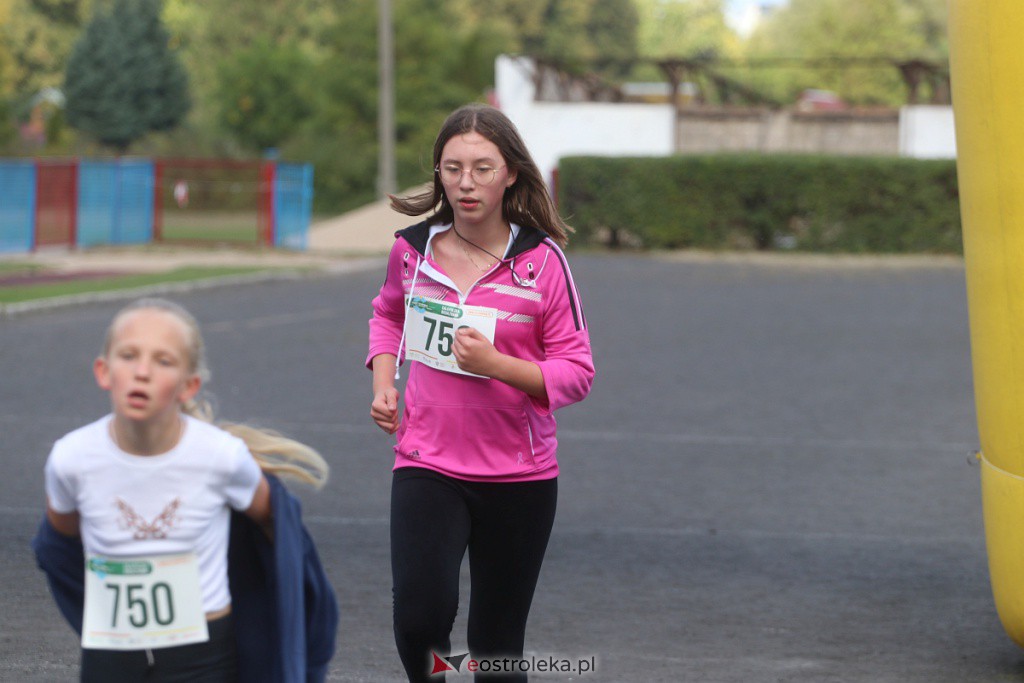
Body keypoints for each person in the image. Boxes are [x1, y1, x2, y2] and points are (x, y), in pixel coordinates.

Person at [367, 104, 595, 682]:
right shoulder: (411, 253)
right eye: (453, 168)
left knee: (495, 647)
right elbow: (387, 316)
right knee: (419, 621)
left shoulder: (543, 263)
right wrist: (384, 382)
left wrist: (496, 364)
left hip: (519, 476)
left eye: (483, 168)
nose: (466, 182)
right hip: (426, 462)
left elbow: (576, 371)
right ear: (438, 173)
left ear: (511, 173)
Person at [34, 297, 338, 682]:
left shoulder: (222, 458)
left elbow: (278, 530)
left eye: (163, 361)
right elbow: (58, 546)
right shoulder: (70, 459)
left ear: (188, 385)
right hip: (110, 652)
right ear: (104, 371)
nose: (142, 372)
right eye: (128, 356)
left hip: (204, 655)